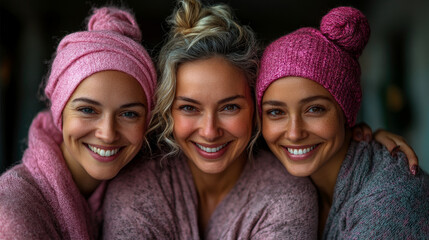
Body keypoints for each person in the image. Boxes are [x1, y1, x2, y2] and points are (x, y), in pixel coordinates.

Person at [102, 0, 319, 239]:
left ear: (255, 108)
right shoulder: (137, 185)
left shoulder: (287, 195)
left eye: (229, 107)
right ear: (167, 110)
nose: (209, 131)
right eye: (189, 108)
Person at [256, 6, 429, 239]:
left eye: (314, 109)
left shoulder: (391, 201)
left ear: (346, 111)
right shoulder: (282, 178)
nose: (294, 133)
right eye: (276, 112)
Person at [0, 6, 156, 239]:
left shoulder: (147, 192)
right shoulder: (13, 214)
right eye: (87, 110)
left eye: (129, 114)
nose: (107, 133)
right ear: (59, 112)